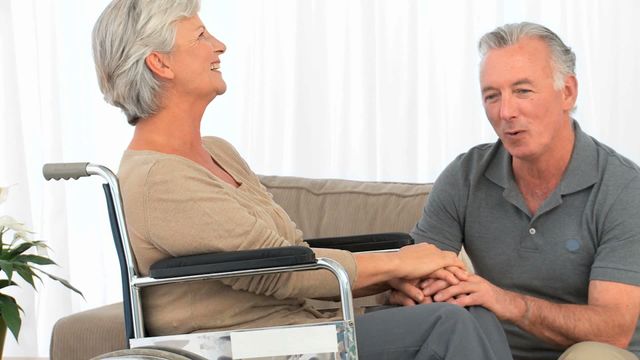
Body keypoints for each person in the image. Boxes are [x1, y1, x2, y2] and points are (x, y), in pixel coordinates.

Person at [92, 1, 513, 359]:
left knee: (471, 309)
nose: (219, 45)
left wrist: (396, 276)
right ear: (160, 63)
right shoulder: (156, 180)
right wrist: (403, 261)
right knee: (447, 324)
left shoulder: (217, 151)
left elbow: (290, 253)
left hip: (302, 325)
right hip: (252, 345)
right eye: (200, 36)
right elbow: (281, 272)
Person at [391, 22, 640, 360]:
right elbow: (412, 275)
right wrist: (406, 290)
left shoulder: (624, 187)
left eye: (522, 91)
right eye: (492, 96)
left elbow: (613, 331)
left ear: (568, 92)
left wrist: (508, 303)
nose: (505, 112)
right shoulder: (465, 176)